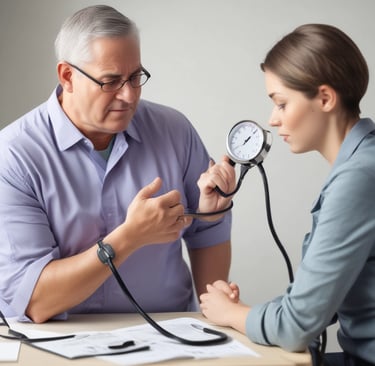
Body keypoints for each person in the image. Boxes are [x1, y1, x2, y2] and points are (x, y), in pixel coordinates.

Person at [0, 5, 235, 323]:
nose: (129, 96)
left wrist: (215, 319)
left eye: (135, 77)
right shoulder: (13, 155)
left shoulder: (174, 130)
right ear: (67, 76)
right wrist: (129, 237)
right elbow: (36, 301)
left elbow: (210, 230)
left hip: (170, 333)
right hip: (58, 342)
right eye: (110, 81)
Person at [200, 24, 375, 366]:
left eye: (281, 104)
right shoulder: (361, 163)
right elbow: (316, 307)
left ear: (325, 98)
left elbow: (298, 327)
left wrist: (233, 313)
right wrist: (254, 314)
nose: (273, 119)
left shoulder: (359, 178)